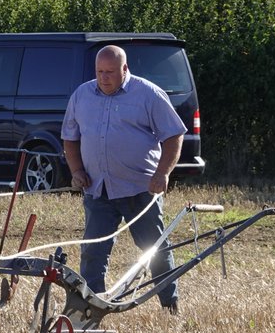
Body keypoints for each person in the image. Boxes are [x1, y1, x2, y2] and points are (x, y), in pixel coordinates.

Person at [61, 45, 186, 314]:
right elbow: (70, 138)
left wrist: (162, 173)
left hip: (140, 190)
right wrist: (77, 170)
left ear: (125, 69)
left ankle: (170, 305)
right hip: (98, 189)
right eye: (99, 72)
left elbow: (174, 135)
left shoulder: (149, 94)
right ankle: (92, 308)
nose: (103, 77)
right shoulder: (81, 95)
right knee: (93, 252)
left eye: (110, 72)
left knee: (155, 249)